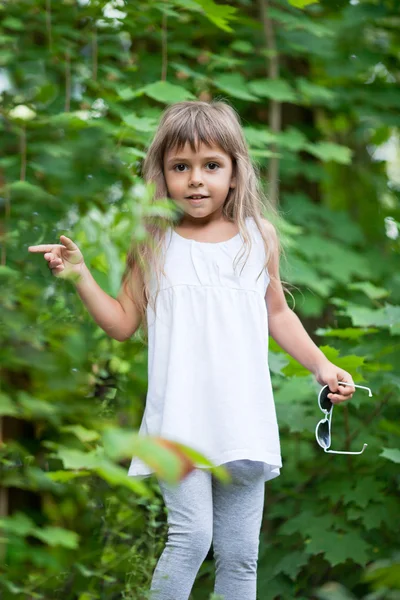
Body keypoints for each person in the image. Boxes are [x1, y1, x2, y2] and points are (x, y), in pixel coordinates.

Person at [28, 100, 356, 600]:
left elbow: (277, 314)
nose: (196, 180)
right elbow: (120, 323)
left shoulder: (256, 236)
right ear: (163, 173)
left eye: (211, 166)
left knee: (241, 554)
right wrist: (80, 276)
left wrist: (322, 366)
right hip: (178, 421)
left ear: (234, 171)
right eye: (181, 167)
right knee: (191, 537)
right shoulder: (154, 242)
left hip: (242, 419)